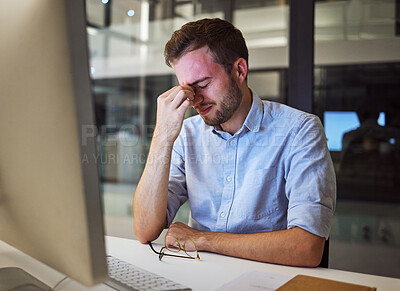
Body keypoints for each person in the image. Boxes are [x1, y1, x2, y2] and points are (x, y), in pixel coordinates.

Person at [133, 18, 336, 267]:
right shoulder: (186, 134)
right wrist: (162, 137)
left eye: (203, 84)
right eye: (187, 89)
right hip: (201, 276)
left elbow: (307, 247)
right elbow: (144, 230)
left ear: (239, 70)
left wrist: (203, 239)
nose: (195, 100)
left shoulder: (300, 131)